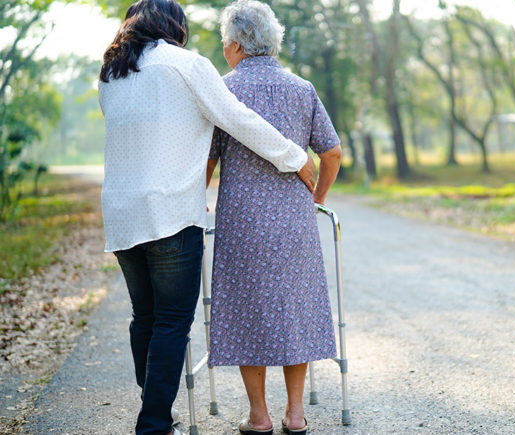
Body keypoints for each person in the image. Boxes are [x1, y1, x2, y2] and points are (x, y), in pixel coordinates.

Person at [98, 0, 316, 434]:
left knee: (145, 316)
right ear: (173, 25)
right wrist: (295, 157)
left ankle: (158, 413)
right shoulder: (186, 64)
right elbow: (236, 118)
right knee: (172, 322)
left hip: (122, 212)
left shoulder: (111, 72)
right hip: (171, 211)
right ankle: (155, 424)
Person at [205, 1, 342, 434]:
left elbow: (206, 160)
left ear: (236, 45)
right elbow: (332, 152)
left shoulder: (222, 90)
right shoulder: (302, 88)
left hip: (241, 220)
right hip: (294, 220)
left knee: (247, 308)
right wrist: (316, 197)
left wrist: (198, 199)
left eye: (225, 42)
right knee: (294, 308)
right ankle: (296, 414)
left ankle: (259, 416)